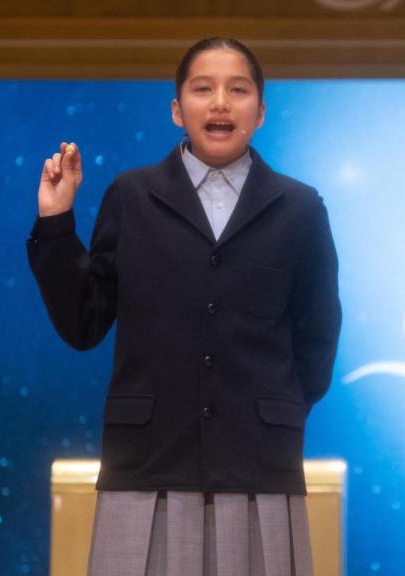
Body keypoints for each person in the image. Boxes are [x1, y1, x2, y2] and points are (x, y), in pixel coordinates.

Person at [28, 37, 341, 575]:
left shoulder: (300, 208)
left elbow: (317, 339)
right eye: (203, 89)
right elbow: (84, 322)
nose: (220, 102)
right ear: (177, 109)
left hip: (257, 472)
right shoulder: (131, 196)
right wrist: (57, 223)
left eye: (238, 90)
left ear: (261, 111)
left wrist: (272, 415)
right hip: (145, 468)